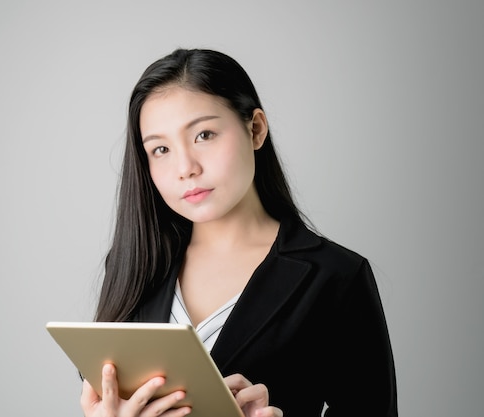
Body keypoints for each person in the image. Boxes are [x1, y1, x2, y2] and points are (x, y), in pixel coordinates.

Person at [80, 48, 398, 417]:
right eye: (161, 149)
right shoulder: (132, 265)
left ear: (255, 129)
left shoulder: (335, 275)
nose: (185, 168)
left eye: (204, 134)